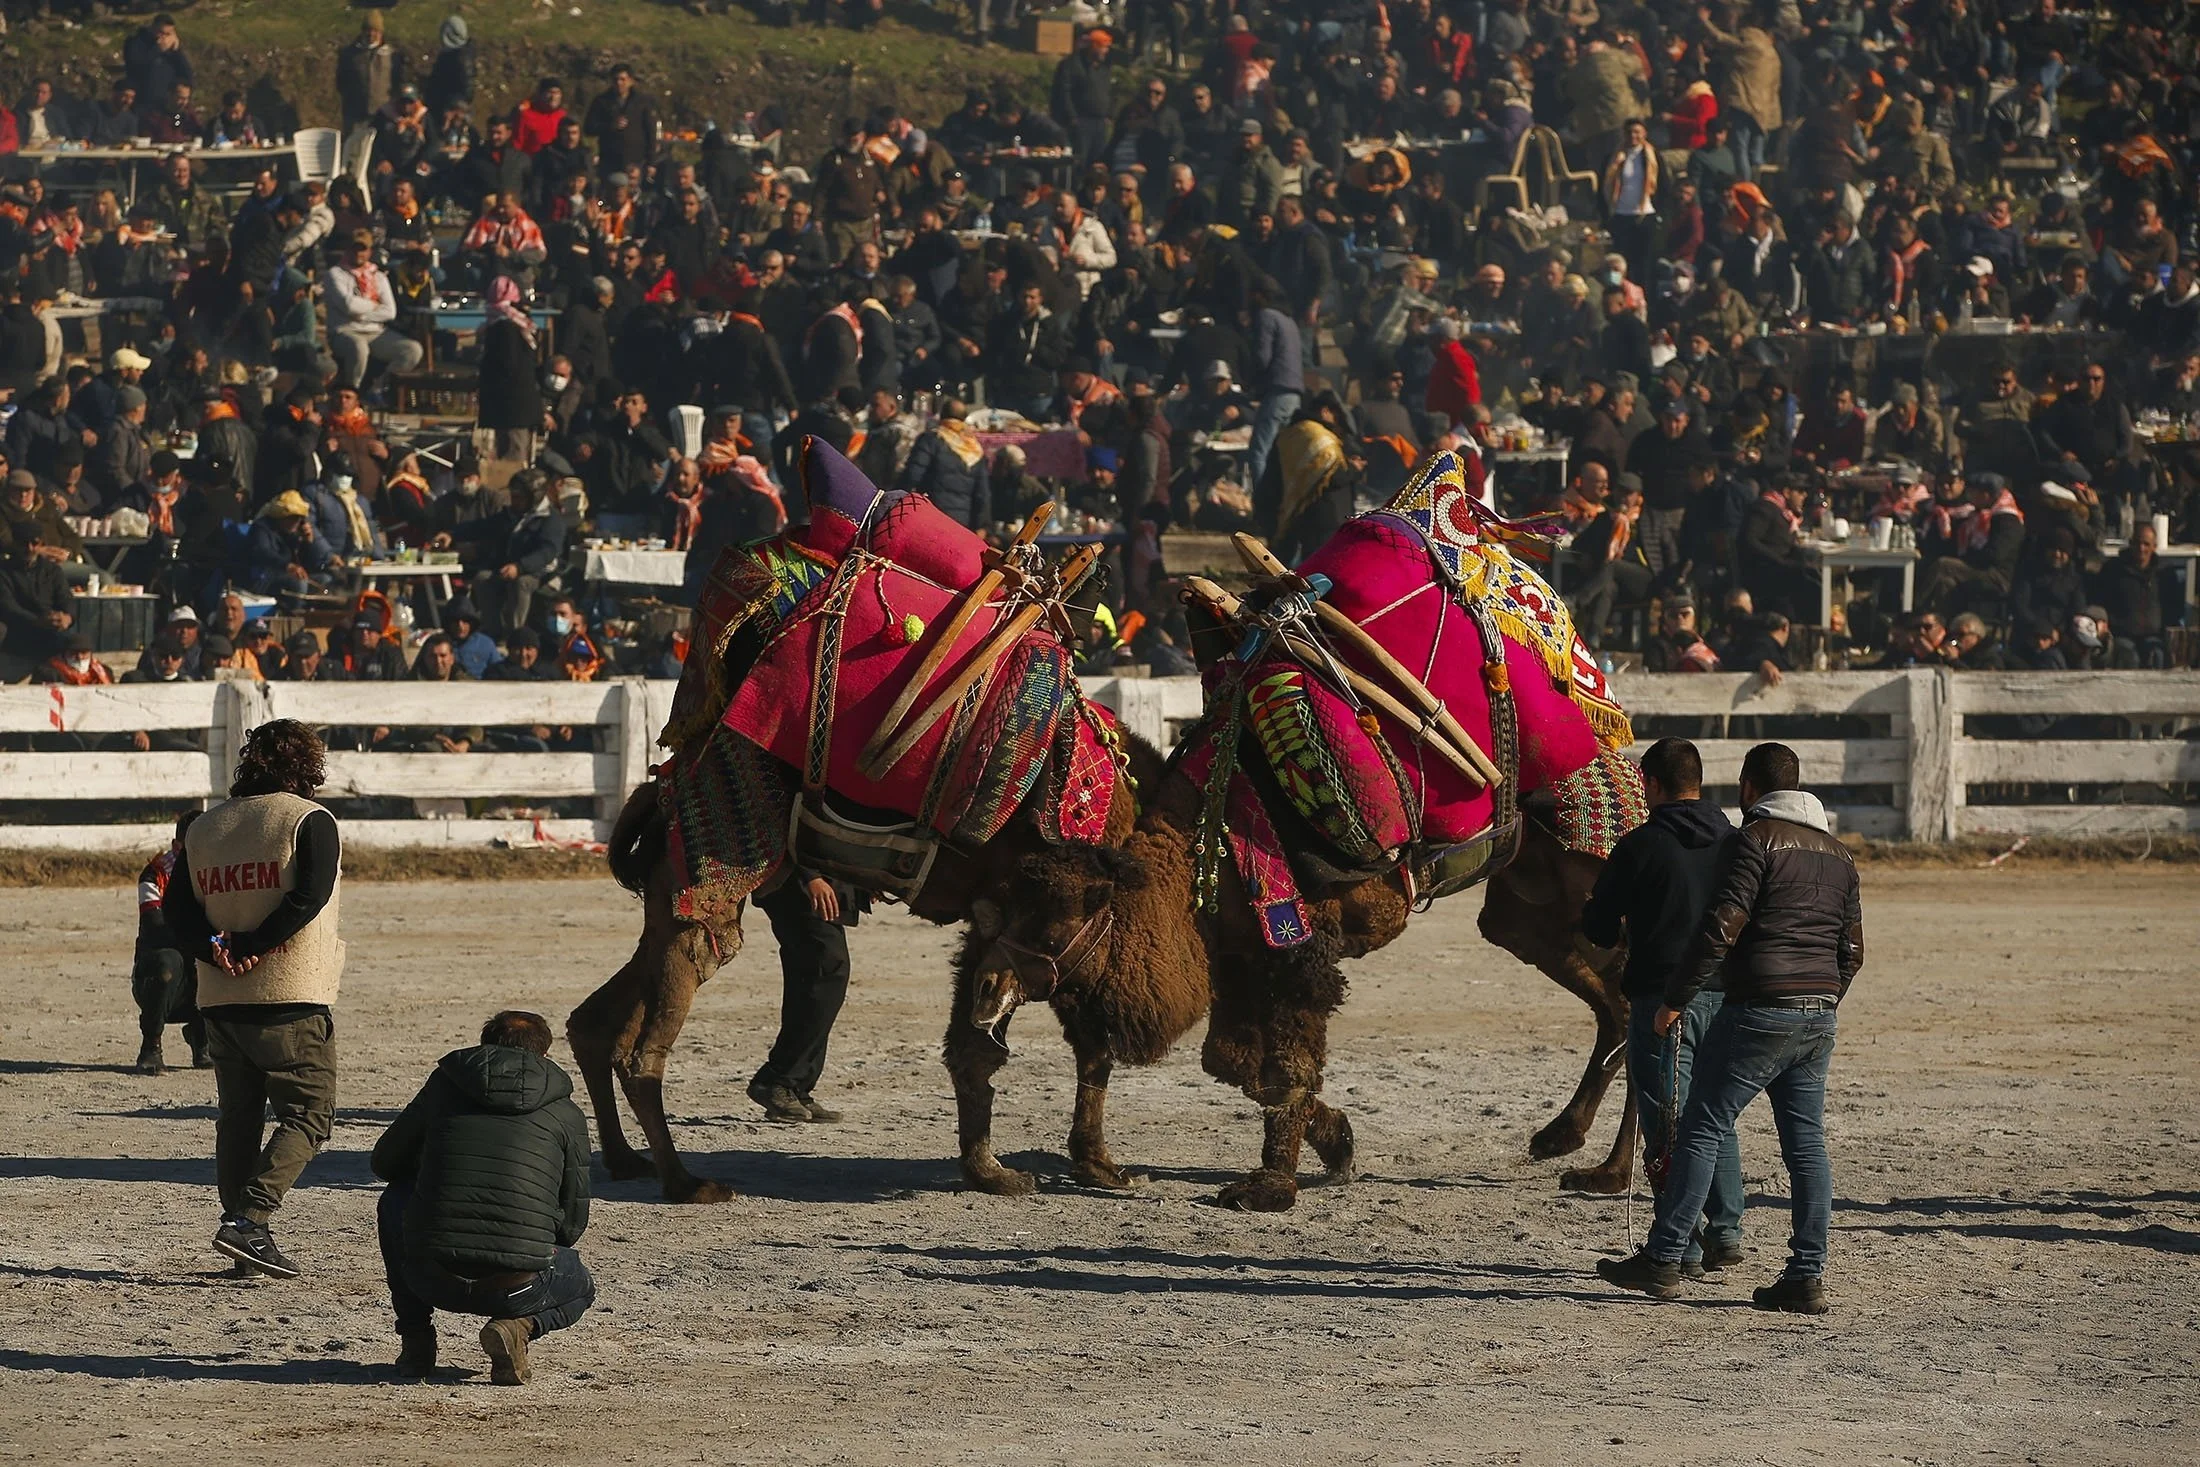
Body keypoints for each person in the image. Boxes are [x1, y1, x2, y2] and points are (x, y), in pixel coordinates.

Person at [1599, 742, 1863, 1315]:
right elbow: (1853, 951)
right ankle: (1806, 1274)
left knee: (1701, 1126)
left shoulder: (1755, 840)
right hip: (1819, 1014)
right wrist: (1823, 1000)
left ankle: (1665, 1256)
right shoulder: (1840, 854)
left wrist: (1676, 998)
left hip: (1760, 1009)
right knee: (1807, 1145)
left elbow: (1721, 928)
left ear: (1748, 787)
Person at [162, 720, 345, 1280]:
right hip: (289, 992)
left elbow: (177, 912)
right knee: (309, 1114)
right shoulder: (308, 819)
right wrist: (252, 946)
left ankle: (240, 1235)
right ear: (308, 765)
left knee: (238, 1119)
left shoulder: (205, 826)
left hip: (220, 997)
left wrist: (218, 951)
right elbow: (308, 897)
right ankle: (249, 1220)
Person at [1581, 738, 1742, 1281]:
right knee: (1714, 1115)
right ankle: (1726, 1230)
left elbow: (1599, 926)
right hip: (1729, 994)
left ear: (1649, 783)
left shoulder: (1640, 845)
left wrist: (1617, 923)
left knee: (1667, 1124)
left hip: (1662, 1001)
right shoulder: (1735, 842)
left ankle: (1681, 1246)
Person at [371, 1009, 593, 1383]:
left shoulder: (442, 1088)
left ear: (484, 1048)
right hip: (516, 1286)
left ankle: (415, 1342)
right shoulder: (567, 1113)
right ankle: (518, 1326)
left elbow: (384, 1163)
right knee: (581, 1288)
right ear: (544, 1055)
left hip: (429, 1277)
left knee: (396, 1200)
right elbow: (572, 1223)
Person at [746, 866, 862, 1124]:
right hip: (793, 882)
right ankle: (777, 1080)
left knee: (809, 980)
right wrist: (811, 877)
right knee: (827, 971)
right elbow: (793, 838)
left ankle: (795, 1087)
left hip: (812, 882)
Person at [132, 812, 208, 1076]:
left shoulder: (218, 871)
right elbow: (155, 927)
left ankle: (203, 1038)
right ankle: (151, 1046)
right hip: (158, 973)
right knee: (167, 962)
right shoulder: (155, 875)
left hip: (201, 963)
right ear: (177, 846)